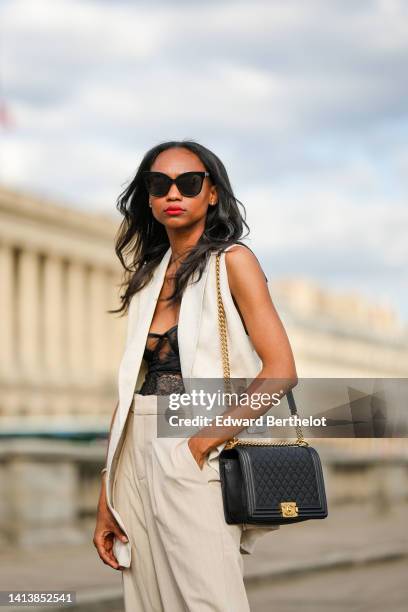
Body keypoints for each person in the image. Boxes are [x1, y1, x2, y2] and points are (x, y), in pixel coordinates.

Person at [93, 140, 298, 611]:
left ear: (211, 193)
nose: (173, 193)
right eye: (159, 184)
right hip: (133, 454)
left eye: (188, 182)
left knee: (210, 600)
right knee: (147, 601)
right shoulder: (147, 277)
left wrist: (200, 445)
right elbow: (128, 392)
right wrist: (106, 493)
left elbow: (281, 370)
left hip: (193, 443)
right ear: (147, 197)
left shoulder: (233, 262)